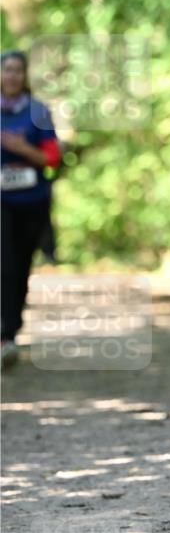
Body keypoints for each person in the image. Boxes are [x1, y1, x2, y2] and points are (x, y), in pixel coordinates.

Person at [1, 50, 61, 368]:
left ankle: (11, 330)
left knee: (19, 268)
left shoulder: (38, 112)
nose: (11, 76)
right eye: (6, 70)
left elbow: (52, 160)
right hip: (1, 204)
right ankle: (4, 335)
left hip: (32, 202)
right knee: (4, 264)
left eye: (17, 71)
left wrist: (22, 148)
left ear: (25, 77)